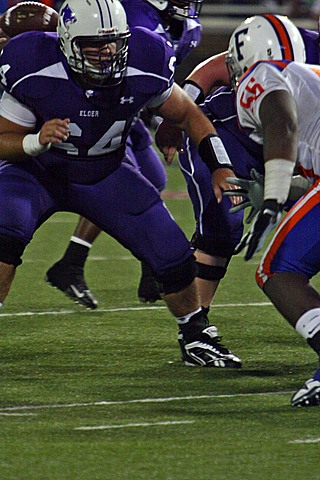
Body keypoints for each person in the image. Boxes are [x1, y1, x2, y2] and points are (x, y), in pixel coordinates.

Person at [0, 0, 242, 368]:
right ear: (65, 42)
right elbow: (3, 138)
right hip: (38, 172)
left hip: (105, 173)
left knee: (173, 254)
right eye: (93, 45)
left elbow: (188, 113)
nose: (106, 53)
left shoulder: (144, 57)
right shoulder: (33, 64)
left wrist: (220, 165)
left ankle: (195, 336)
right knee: (4, 231)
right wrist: (34, 141)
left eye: (113, 42)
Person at [45, 0, 204, 308]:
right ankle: (141, 267)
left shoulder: (186, 25)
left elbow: (161, 85)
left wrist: (171, 117)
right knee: (119, 184)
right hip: (97, 110)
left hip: (132, 112)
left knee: (155, 178)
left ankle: (74, 262)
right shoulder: (132, 15)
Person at [224, 14, 320, 405]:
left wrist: (274, 198)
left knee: (279, 269)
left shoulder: (262, 74)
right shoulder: (308, 74)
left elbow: (282, 122)